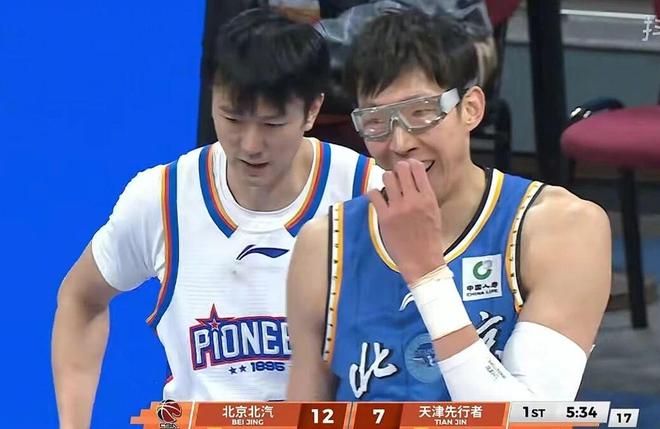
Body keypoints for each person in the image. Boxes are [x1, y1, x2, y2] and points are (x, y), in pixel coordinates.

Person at [52, 8, 382, 428]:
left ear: (312, 110)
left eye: (272, 123)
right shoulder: (163, 197)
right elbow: (80, 299)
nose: (250, 144)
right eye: (232, 118)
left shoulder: (367, 193)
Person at [286, 10, 611, 401]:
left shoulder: (563, 228)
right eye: (376, 121)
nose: (400, 142)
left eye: (421, 112)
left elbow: (526, 421)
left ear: (471, 108)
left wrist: (427, 275)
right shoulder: (326, 244)